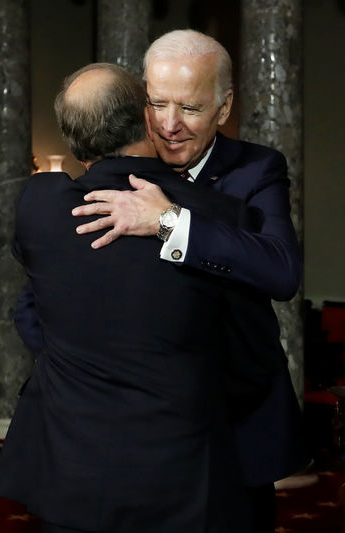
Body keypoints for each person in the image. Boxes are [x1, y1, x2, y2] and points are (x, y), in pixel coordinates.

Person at [0, 62, 267, 533]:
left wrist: (70, 362)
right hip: (180, 469)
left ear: (74, 138)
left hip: (69, 465)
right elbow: (252, 356)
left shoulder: (39, 205)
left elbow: (41, 306)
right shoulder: (217, 215)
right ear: (147, 118)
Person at [70, 30, 305, 532]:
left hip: (234, 421)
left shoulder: (257, 169)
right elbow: (43, 295)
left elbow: (282, 271)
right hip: (138, 433)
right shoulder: (117, 173)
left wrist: (170, 223)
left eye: (191, 108)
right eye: (157, 104)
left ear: (223, 108)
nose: (170, 126)